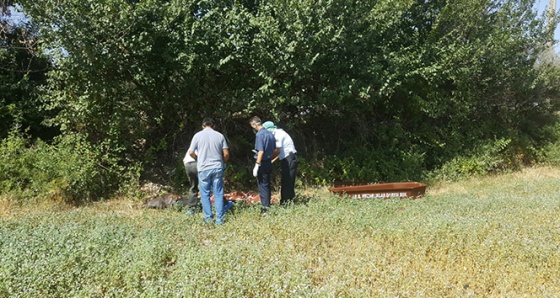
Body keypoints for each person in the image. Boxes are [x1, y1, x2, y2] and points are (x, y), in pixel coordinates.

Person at [187, 118, 233, 224]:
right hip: (217, 167)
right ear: (213, 126)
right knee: (218, 193)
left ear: (203, 126)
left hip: (203, 168)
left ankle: (208, 217)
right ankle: (219, 219)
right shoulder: (220, 136)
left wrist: (198, 159)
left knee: (205, 194)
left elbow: (190, 152)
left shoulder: (197, 136)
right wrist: (223, 162)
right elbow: (226, 154)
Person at [262, 121, 299, 204]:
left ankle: (285, 202)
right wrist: (272, 161)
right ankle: (289, 200)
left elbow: (278, 150)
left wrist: (267, 159)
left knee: (287, 181)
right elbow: (280, 154)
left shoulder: (278, 134)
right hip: (286, 158)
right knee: (288, 180)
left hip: (290, 158)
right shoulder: (277, 133)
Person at [249, 116, 278, 214]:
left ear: (254, 124)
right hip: (268, 162)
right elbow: (275, 149)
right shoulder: (270, 134)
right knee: (267, 185)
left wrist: (257, 164)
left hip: (262, 162)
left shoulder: (259, 135)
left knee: (262, 186)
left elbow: (261, 151)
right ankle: (267, 205)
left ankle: (265, 208)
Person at [182, 150, 199, 215]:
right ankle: (211, 207)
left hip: (187, 163)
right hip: (195, 162)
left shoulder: (196, 140)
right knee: (206, 186)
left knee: (193, 186)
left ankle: (191, 209)